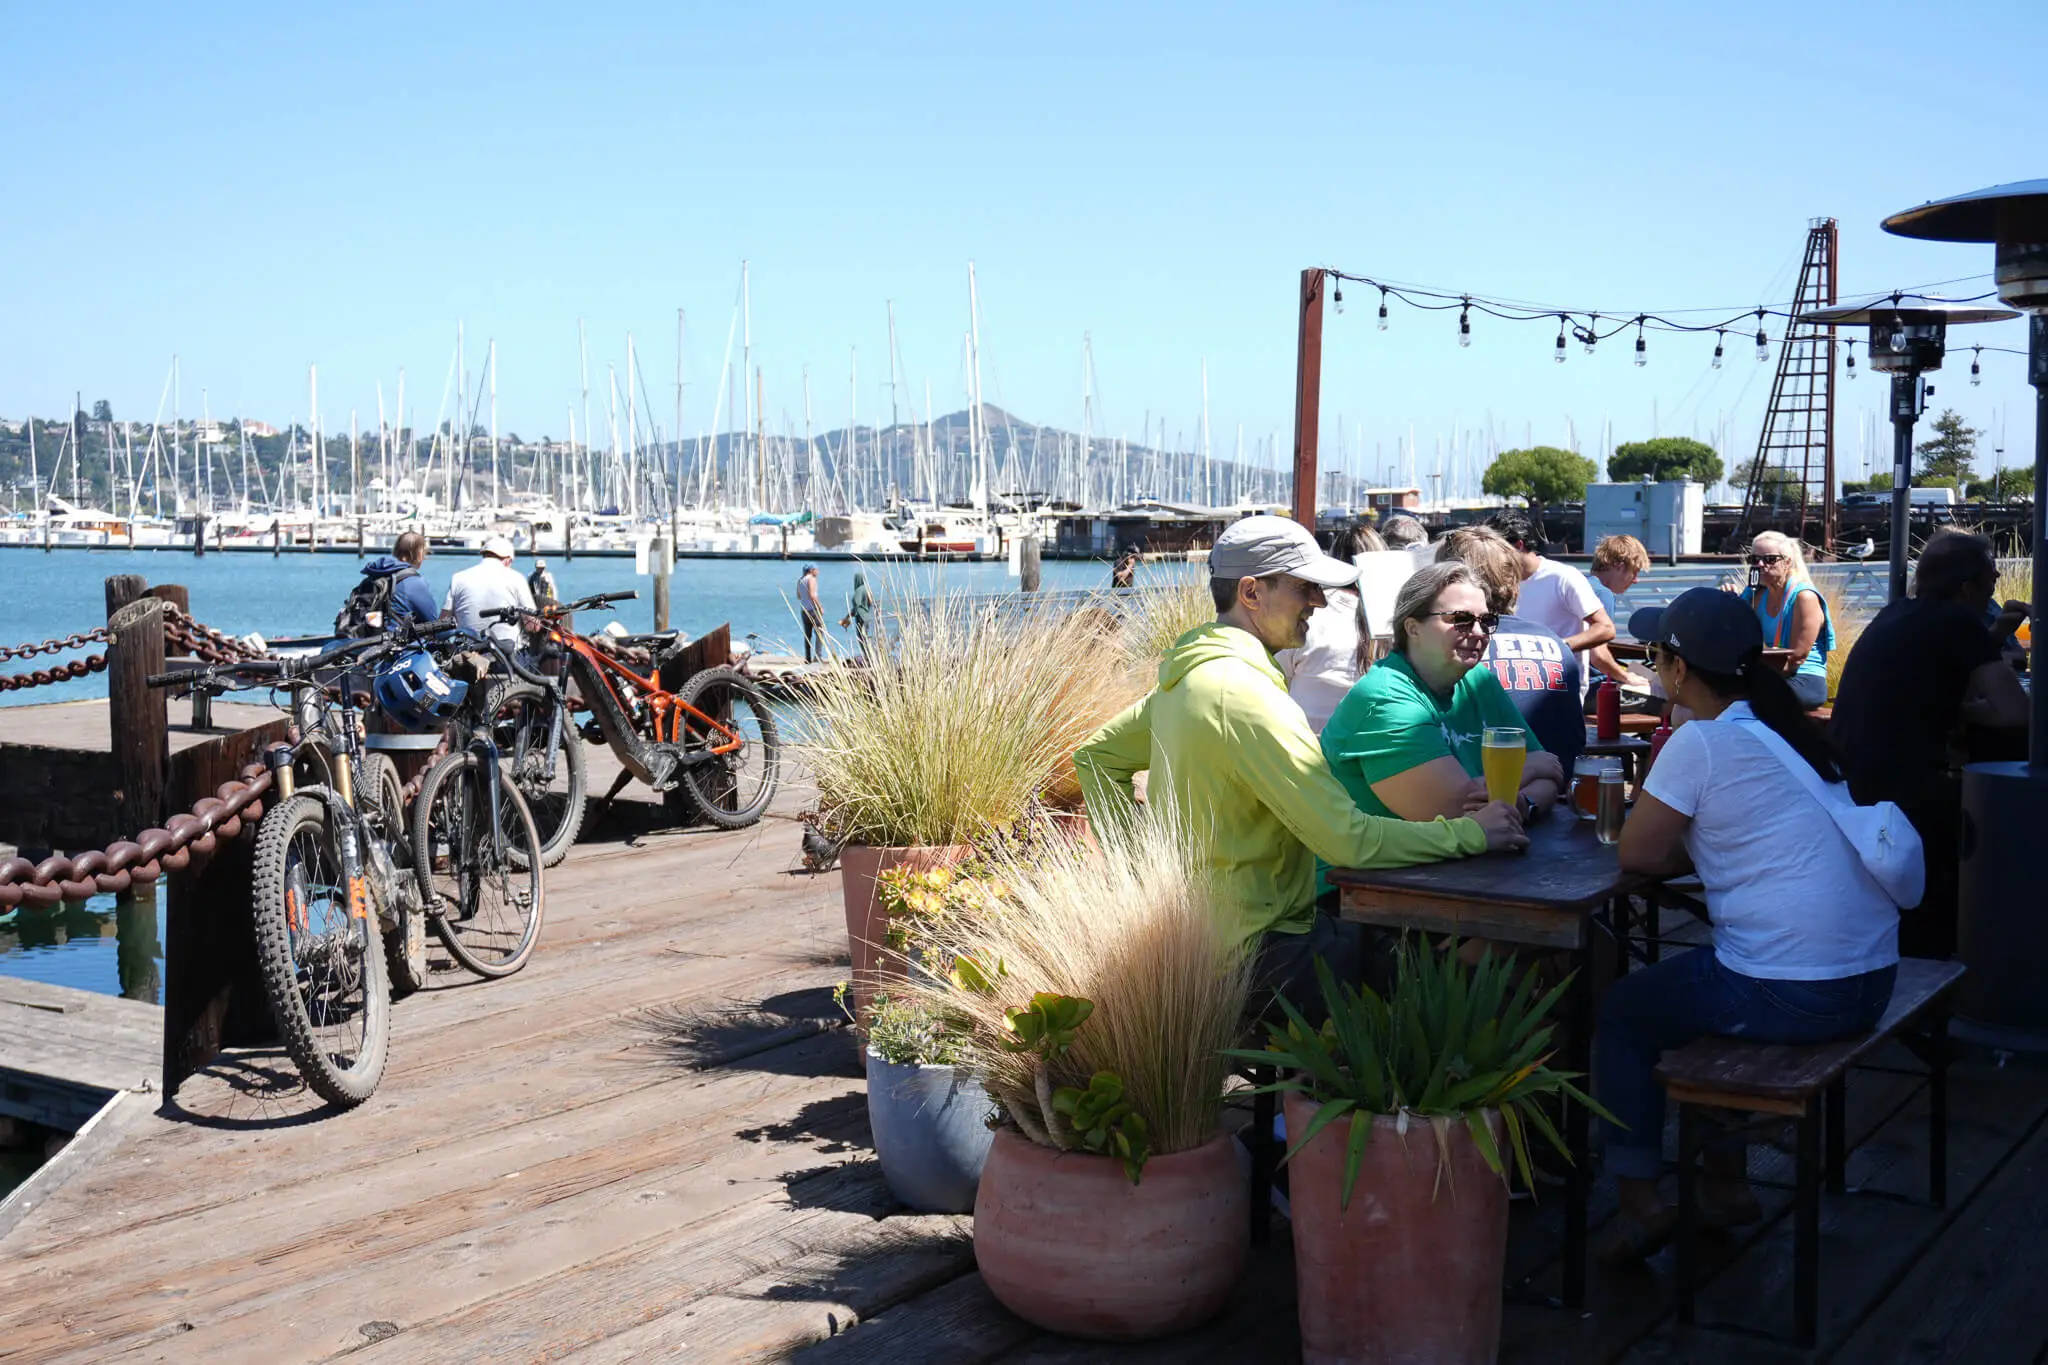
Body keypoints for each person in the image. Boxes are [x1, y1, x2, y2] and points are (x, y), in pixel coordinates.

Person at [1075, 516, 1525, 1021]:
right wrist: (1470, 833)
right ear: (1251, 592)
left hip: (1199, 941)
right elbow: (1348, 842)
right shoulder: (1245, 696)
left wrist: (1142, 871)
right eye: (1304, 587)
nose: (1318, 600)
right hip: (1260, 953)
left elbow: (1096, 758)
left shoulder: (1193, 675)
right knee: (1461, 973)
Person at [1600, 588, 1900, 1262]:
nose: (1653, 667)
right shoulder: (1782, 727)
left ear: (1677, 669)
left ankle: (1641, 1201)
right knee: (1704, 985)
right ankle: (1723, 1184)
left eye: (1655, 655)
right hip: (1873, 978)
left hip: (1799, 992)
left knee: (1624, 1010)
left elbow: (1639, 854)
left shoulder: (1699, 741)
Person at [1830, 531, 2030, 958]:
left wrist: (1996, 635)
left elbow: (1935, 672)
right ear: (1968, 588)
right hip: (1908, 794)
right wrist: (1958, 710)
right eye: (1991, 579)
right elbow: (2016, 713)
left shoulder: (1897, 612)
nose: (1997, 580)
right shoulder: (1957, 622)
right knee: (2012, 824)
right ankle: (1982, 956)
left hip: (1853, 784)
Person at [1322, 559, 1565, 826]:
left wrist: (1522, 804)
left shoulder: (1478, 680)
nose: (1477, 632)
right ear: (1413, 628)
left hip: (1464, 861)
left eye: (1486, 620)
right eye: (1460, 620)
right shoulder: (1384, 700)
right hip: (1371, 866)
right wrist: (1530, 768)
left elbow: (1551, 780)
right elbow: (1458, 812)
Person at [1434, 526, 1583, 770]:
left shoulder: (1455, 649)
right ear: (1514, 583)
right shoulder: (1556, 643)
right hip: (1559, 785)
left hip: (1480, 794)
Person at [1486, 509, 1614, 697]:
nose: (1491, 559)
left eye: (1496, 552)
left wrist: (1558, 646)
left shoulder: (1563, 577)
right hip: (1511, 688)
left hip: (1558, 690)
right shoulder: (1496, 582)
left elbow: (1606, 628)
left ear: (1519, 545)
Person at [1276, 524, 1386, 733]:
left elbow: (1278, 682)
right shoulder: (1397, 622)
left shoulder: (1308, 618)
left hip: (1309, 746)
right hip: (1376, 746)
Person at [1734, 530, 1834, 709]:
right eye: (1754, 560)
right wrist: (1730, 599)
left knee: (1742, 699)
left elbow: (1797, 657)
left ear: (1787, 562)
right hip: (1771, 673)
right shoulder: (1756, 594)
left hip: (1804, 678)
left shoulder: (1804, 597)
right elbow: (1735, 628)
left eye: (1770, 559)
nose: (1761, 565)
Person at [1584, 535, 1654, 699]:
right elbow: (1597, 656)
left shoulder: (1581, 585)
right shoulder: (1602, 594)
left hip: (1563, 684)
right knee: (1667, 699)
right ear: (1617, 565)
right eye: (1634, 572)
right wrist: (1627, 678)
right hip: (1588, 688)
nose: (1636, 580)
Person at [444, 535, 536, 647]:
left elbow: (444, 622)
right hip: (507, 655)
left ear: (484, 555)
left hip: (466, 654)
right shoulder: (516, 578)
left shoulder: (458, 578)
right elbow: (532, 625)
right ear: (508, 560)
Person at [346, 530, 439, 634]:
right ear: (419, 554)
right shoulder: (414, 583)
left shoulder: (372, 576)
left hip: (366, 642)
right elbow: (433, 623)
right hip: (397, 647)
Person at [842, 571, 877, 664]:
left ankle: (868, 658)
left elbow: (856, 605)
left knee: (861, 639)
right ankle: (870, 657)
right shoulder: (867, 589)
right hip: (867, 616)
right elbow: (871, 602)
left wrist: (847, 617)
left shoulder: (858, 590)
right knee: (866, 637)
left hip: (860, 617)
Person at [797, 564, 826, 663]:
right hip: (813, 610)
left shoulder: (800, 580)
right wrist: (820, 607)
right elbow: (812, 595)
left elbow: (799, 596)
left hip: (804, 610)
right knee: (819, 633)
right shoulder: (811, 579)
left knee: (807, 634)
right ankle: (818, 656)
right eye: (816, 570)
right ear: (811, 570)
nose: (818, 572)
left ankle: (808, 657)